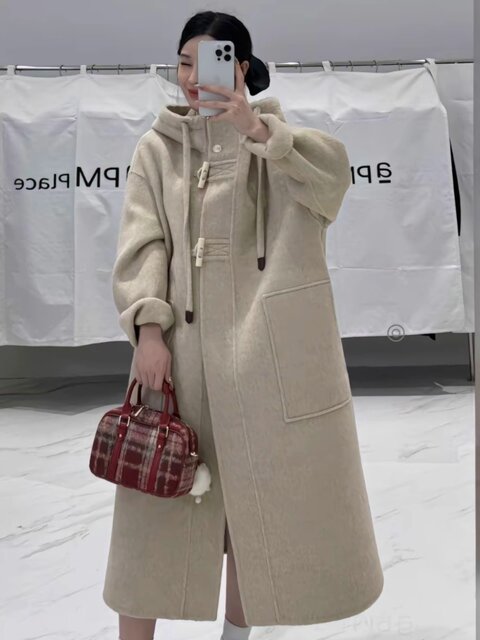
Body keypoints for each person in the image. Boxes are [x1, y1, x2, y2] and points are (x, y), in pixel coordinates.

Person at [104, 9, 383, 640]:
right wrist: (149, 329)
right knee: (152, 514)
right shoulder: (157, 149)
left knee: (252, 523)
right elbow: (143, 244)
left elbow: (331, 183)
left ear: (241, 67)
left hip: (263, 362)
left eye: (207, 62)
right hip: (177, 359)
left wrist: (254, 128)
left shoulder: (279, 143)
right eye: (183, 62)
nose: (191, 77)